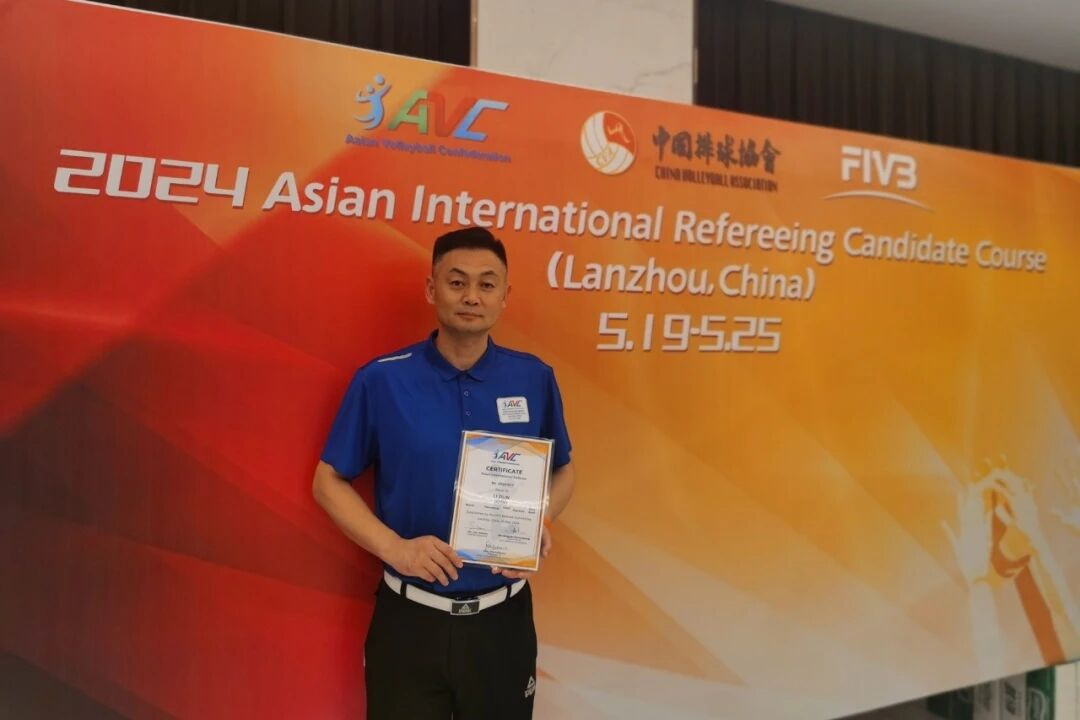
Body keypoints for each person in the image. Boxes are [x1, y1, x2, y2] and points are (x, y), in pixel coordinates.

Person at [312, 227, 576, 719]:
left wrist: (538, 520)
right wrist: (395, 549)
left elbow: (563, 471)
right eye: (457, 282)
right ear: (432, 289)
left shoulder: (533, 378)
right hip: (410, 618)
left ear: (505, 295)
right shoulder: (382, 379)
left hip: (502, 620)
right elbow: (328, 481)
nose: (472, 296)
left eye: (487, 284)